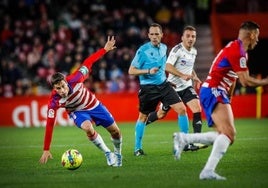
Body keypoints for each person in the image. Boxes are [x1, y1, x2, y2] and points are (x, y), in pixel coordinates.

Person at [173, 21, 268, 180]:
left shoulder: (238, 50)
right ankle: (207, 171)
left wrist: (228, 98)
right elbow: (245, 81)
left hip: (214, 91)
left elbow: (235, 77)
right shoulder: (237, 51)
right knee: (229, 134)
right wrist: (265, 82)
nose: (257, 40)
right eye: (257, 36)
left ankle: (186, 139)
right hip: (213, 90)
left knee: (223, 134)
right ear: (251, 34)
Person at [39, 36, 123, 167]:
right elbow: (50, 124)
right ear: (54, 88)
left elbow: (88, 62)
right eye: (58, 88)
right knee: (88, 128)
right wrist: (46, 149)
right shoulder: (54, 101)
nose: (61, 90)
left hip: (94, 105)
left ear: (66, 81)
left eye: (62, 86)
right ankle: (107, 153)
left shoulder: (76, 78)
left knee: (116, 132)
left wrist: (104, 50)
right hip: (78, 112)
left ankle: (117, 153)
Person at [128, 23, 188, 156]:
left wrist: (168, 81)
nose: (154, 36)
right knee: (143, 117)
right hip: (148, 88)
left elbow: (162, 68)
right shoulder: (142, 50)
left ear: (162, 35)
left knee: (182, 109)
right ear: (148, 35)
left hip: (164, 85)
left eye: (157, 34)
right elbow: (131, 70)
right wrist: (148, 70)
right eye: (152, 34)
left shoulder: (164, 48)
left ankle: (185, 142)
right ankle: (137, 148)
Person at [146, 25, 207, 151]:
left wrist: (194, 77)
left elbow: (190, 67)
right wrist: (182, 75)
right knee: (161, 114)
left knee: (197, 108)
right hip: (172, 88)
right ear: (182, 38)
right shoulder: (177, 50)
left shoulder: (194, 51)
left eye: (193, 36)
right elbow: (167, 67)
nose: (191, 39)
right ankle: (142, 122)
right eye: (188, 36)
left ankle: (194, 141)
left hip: (186, 87)